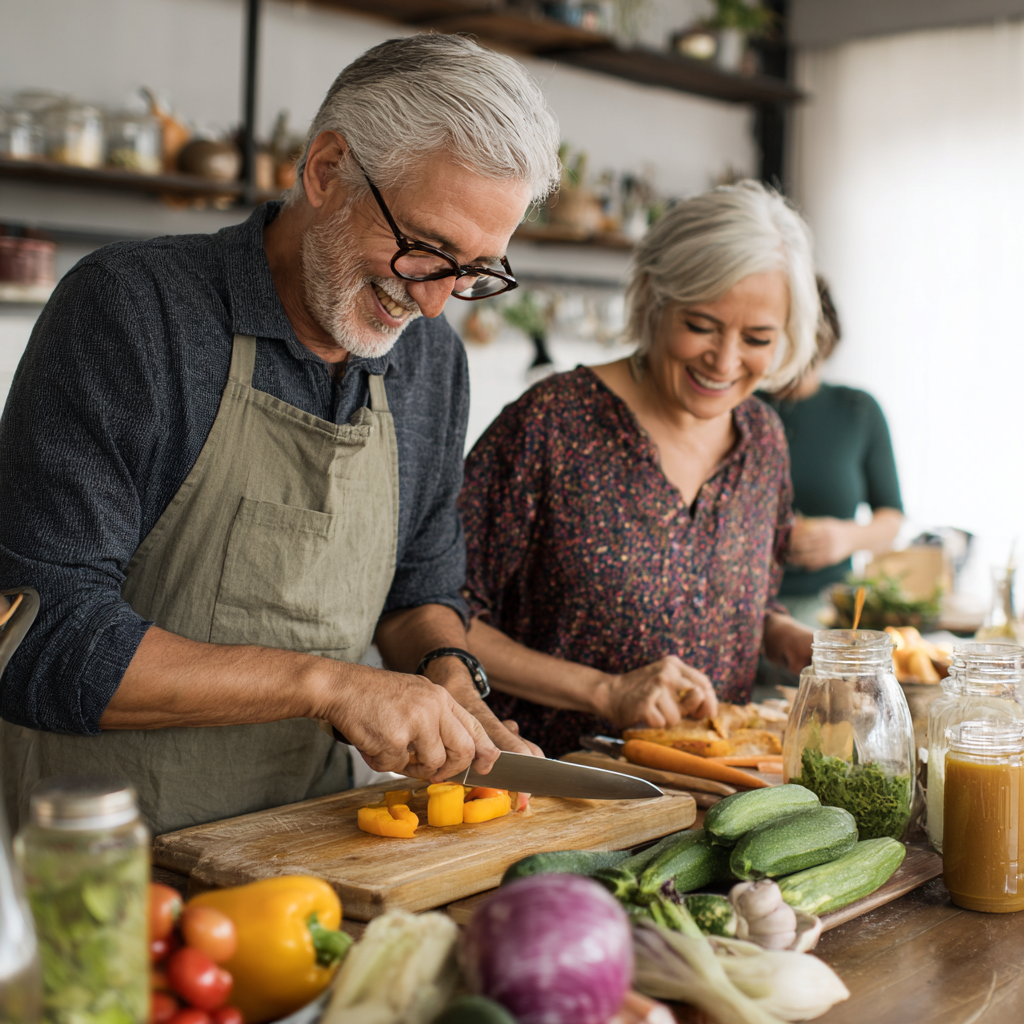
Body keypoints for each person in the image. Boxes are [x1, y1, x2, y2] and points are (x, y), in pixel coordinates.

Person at [0, 34, 560, 833]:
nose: (436, 304)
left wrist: (451, 680)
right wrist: (331, 685)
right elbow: (39, 638)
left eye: (474, 272)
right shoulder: (133, 314)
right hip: (99, 860)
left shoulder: (432, 362)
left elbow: (419, 592)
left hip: (313, 847)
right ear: (327, 171)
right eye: (425, 251)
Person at [459, 181, 819, 758]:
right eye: (701, 325)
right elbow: (438, 617)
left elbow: (740, 598)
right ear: (653, 297)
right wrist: (605, 690)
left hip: (709, 797)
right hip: (559, 791)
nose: (725, 362)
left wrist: (784, 635)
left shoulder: (763, 441)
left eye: (757, 338)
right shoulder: (552, 422)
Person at [761, 279, 903, 627]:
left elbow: (891, 518)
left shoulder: (859, 410)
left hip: (831, 610)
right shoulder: (739, 410)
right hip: (745, 604)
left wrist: (845, 538)